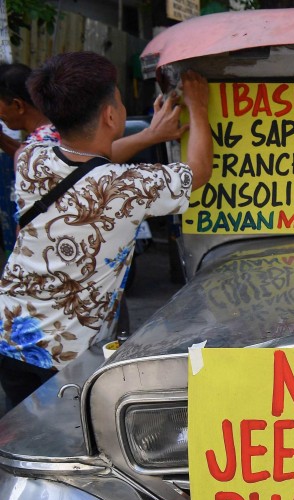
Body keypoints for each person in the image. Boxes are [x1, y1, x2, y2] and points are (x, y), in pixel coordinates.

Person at [0, 52, 212, 409]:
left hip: (9, 337)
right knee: (73, 444)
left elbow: (88, 160)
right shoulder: (129, 186)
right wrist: (199, 106)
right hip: (69, 358)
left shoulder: (31, 157)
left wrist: (150, 134)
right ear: (111, 115)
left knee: (27, 436)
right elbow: (198, 170)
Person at [0, 61, 185, 164]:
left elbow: (94, 157)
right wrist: (150, 135)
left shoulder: (43, 143)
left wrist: (151, 135)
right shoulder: (48, 137)